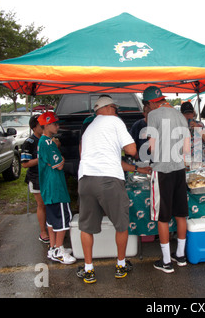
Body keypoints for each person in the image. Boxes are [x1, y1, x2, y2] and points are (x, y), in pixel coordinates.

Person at [77, 95, 151, 283]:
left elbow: (99, 157)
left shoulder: (89, 129)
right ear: (108, 108)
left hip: (85, 179)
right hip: (109, 180)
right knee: (121, 224)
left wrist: (137, 169)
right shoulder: (115, 122)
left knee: (86, 227)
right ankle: (120, 265)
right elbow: (132, 150)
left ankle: (88, 269)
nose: (116, 111)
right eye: (115, 108)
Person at [145, 86, 191, 273]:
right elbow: (186, 149)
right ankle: (180, 256)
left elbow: (152, 148)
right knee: (181, 214)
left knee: (162, 217)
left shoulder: (153, 116)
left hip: (162, 171)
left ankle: (166, 262)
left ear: (150, 103)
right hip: (179, 169)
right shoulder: (180, 115)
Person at [37, 112, 76, 265]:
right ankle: (59, 250)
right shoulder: (47, 143)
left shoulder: (44, 141)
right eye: (55, 123)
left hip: (49, 187)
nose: (58, 126)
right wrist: (61, 155)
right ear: (46, 125)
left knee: (52, 221)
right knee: (62, 220)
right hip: (55, 188)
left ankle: (54, 248)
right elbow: (59, 164)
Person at [21, 114, 49, 243]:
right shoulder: (29, 142)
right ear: (33, 127)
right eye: (40, 125)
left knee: (50, 204)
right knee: (41, 205)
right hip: (35, 177)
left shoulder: (47, 139)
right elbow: (25, 164)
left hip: (48, 176)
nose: (43, 126)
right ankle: (43, 232)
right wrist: (41, 159)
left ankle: (52, 229)